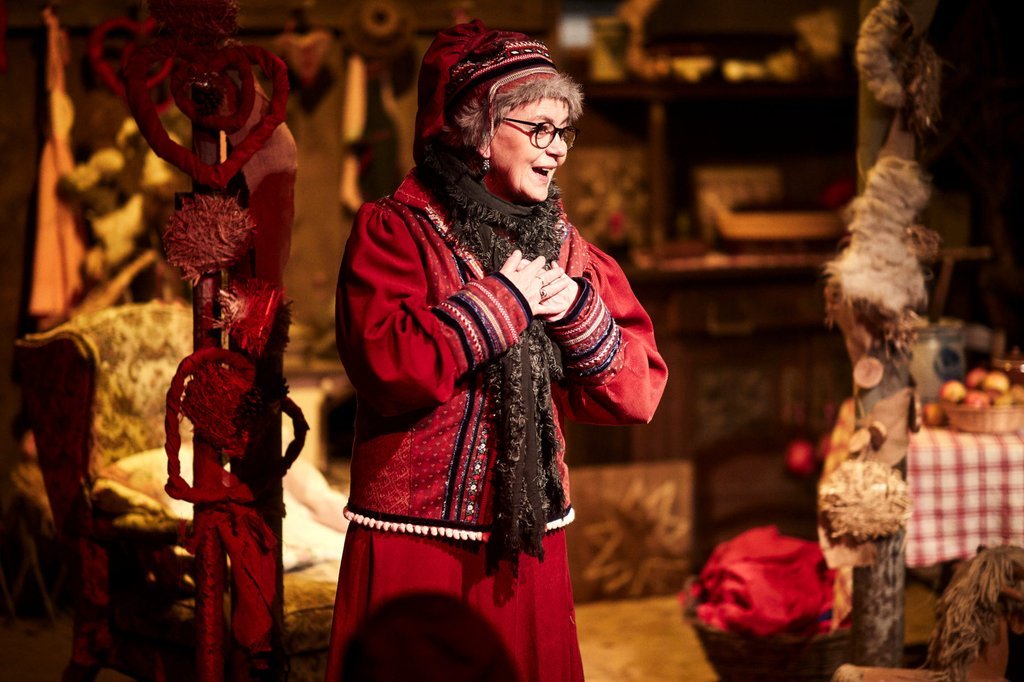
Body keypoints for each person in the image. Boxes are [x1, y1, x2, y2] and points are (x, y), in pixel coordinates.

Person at [327, 19, 667, 681]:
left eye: (563, 130)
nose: (557, 148)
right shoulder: (398, 232)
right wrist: (503, 301)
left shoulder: (566, 249)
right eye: (539, 129)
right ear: (479, 131)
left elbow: (639, 391)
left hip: (526, 551)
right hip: (416, 548)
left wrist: (574, 310)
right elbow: (387, 366)